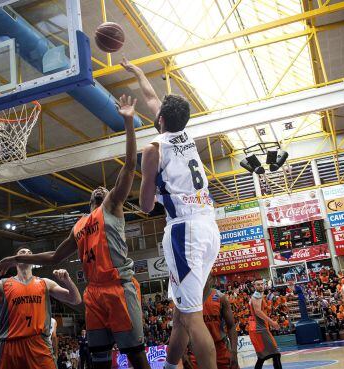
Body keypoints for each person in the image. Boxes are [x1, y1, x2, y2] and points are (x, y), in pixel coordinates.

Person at [0, 95, 150, 369]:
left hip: (118, 287)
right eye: (96, 191)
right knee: (98, 357)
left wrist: (128, 122)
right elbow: (54, 256)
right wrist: (16, 259)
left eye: (104, 189)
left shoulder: (111, 206)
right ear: (89, 201)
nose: (101, 189)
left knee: (135, 354)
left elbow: (129, 165)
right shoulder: (79, 225)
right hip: (93, 292)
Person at [121, 58, 220, 369]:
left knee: (192, 318)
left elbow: (147, 206)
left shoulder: (153, 149)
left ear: (160, 119)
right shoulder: (186, 136)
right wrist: (138, 72)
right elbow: (153, 99)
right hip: (208, 227)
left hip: (184, 232)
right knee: (180, 315)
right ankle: (168, 366)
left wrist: (146, 178)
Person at [0, 249, 81, 369]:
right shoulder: (3, 284)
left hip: (39, 345)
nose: (27, 254)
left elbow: (76, 300)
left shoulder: (45, 283)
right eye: (22, 252)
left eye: (30, 253)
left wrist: (68, 281)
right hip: (10, 347)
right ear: (16, 258)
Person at [184, 272, 239, 369]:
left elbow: (231, 326)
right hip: (196, 350)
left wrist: (234, 352)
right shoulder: (186, 300)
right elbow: (180, 330)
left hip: (220, 349)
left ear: (211, 279)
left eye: (206, 275)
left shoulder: (220, 298)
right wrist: (183, 355)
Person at [249, 279, 282, 369]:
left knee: (262, 357)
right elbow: (258, 312)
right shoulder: (256, 296)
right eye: (258, 284)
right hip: (259, 328)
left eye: (261, 284)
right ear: (254, 286)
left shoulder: (259, 295)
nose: (260, 286)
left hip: (260, 327)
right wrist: (272, 323)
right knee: (275, 353)